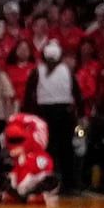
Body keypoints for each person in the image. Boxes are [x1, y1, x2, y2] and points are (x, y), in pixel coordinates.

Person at [25, 40, 79, 193]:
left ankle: (65, 183)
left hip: (55, 113)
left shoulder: (40, 71)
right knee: (57, 149)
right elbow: (77, 94)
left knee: (60, 149)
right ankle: (60, 183)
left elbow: (29, 97)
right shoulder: (63, 71)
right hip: (53, 113)